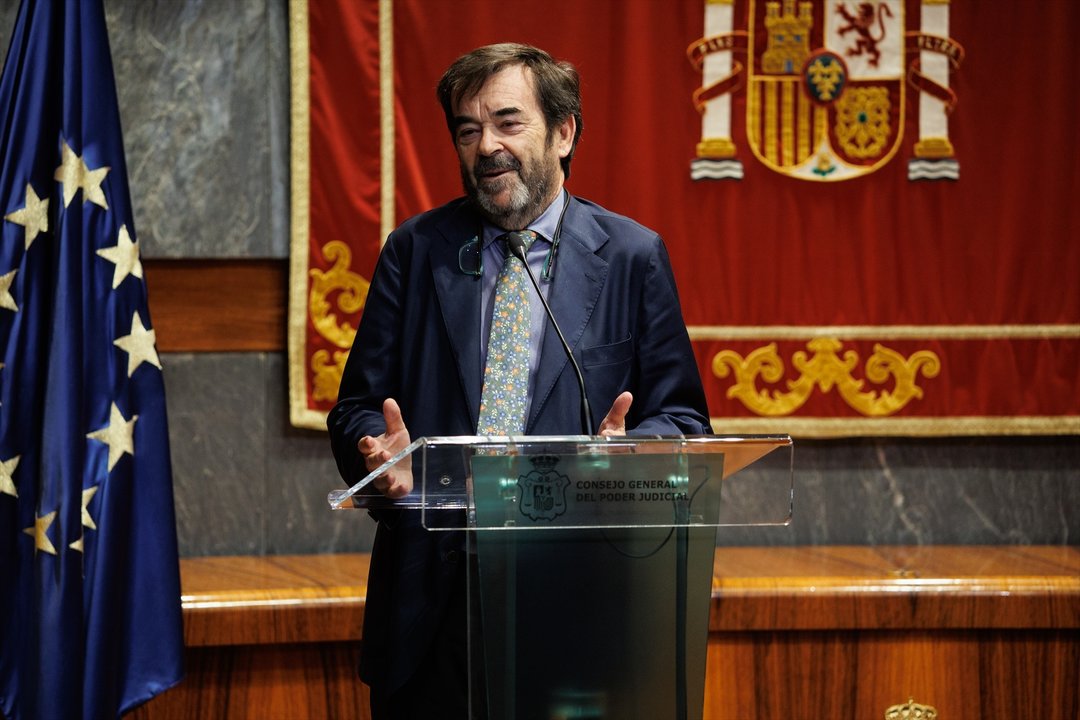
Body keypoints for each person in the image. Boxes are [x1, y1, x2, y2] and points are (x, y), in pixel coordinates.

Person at [328, 42, 710, 719]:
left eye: (508, 123)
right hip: (432, 604)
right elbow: (358, 407)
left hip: (579, 602)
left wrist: (622, 458)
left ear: (563, 133)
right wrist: (374, 456)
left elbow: (682, 420)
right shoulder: (417, 252)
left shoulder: (630, 257)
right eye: (468, 129)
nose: (486, 147)